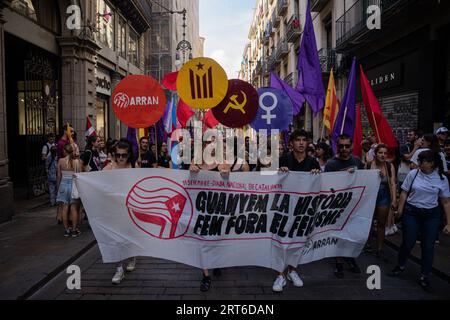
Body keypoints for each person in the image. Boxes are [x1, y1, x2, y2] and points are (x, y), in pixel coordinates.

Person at [389, 150, 450, 293]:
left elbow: (446, 201)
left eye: (423, 161)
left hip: (432, 215)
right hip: (412, 212)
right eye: (420, 161)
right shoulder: (414, 174)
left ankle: (425, 276)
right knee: (408, 241)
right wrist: (400, 210)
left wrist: (448, 222)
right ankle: (401, 265)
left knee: (428, 246)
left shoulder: (441, 179)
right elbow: (404, 192)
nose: (420, 164)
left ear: (432, 163)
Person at [272, 130, 321, 292]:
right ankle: (280, 274)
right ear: (291, 143)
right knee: (281, 241)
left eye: (304, 140)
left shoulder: (313, 162)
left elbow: (319, 185)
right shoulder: (282, 160)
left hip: (303, 209)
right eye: (297, 140)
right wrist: (279, 173)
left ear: (308, 143)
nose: (301, 143)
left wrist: (317, 174)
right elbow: (271, 181)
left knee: (298, 240)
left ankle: (292, 270)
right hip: (284, 209)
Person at [189, 140, 230, 292]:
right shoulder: (196, 161)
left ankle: (217, 262)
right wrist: (191, 169)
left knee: (217, 238)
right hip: (200, 208)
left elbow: (227, 177)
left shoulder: (221, 161)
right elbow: (189, 177)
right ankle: (206, 276)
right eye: (207, 143)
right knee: (202, 241)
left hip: (218, 208)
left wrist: (225, 174)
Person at [325, 134, 364, 278]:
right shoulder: (331, 164)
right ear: (337, 146)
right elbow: (328, 186)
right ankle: (338, 262)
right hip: (337, 205)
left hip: (354, 204)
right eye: (341, 146)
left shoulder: (358, 162)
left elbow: (365, 180)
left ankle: (351, 258)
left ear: (352, 146)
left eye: (347, 146)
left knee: (352, 233)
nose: (344, 149)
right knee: (338, 234)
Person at [103, 140, 138, 284]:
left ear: (129, 154)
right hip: (113, 209)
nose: (121, 158)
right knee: (115, 240)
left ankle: (132, 257)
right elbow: (94, 180)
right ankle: (119, 269)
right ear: (114, 154)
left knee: (128, 237)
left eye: (124, 155)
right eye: (118, 155)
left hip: (129, 210)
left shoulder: (134, 166)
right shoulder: (109, 168)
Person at [367, 144, 397, 259]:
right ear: (375, 153)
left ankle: (380, 248)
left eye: (385, 153)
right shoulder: (369, 165)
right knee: (368, 221)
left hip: (384, 195)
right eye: (380, 152)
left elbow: (393, 184)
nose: (383, 155)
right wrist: (375, 176)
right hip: (370, 195)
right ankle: (368, 244)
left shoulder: (389, 166)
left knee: (381, 223)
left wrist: (394, 200)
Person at [56, 144, 81, 237]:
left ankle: (67, 230)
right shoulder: (77, 162)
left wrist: (58, 188)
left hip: (63, 185)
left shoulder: (60, 161)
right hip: (73, 186)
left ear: (64, 151)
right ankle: (74, 230)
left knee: (64, 208)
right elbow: (79, 176)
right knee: (74, 208)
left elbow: (58, 176)